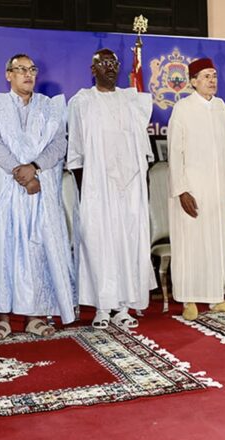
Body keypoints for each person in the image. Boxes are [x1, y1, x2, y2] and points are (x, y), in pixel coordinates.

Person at [0, 53, 76, 340]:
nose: (27, 74)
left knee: (36, 250)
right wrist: (21, 172)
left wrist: (35, 168)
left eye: (32, 69)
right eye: (20, 69)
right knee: (3, 249)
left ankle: (34, 317)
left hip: (40, 190)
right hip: (6, 189)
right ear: (8, 74)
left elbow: (59, 144)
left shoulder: (48, 106)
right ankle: (2, 318)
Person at [67, 49, 155, 329]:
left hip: (130, 187)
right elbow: (76, 150)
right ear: (92, 70)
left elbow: (143, 149)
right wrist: (86, 190)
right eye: (103, 64)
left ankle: (124, 306)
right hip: (97, 186)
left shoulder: (131, 100)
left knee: (128, 242)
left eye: (114, 63)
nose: (110, 68)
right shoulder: (83, 102)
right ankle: (102, 307)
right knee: (99, 243)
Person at [167, 57, 225, 321]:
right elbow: (175, 152)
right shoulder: (183, 108)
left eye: (214, 76)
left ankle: (217, 298)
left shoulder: (222, 108)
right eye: (206, 76)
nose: (212, 81)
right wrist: (181, 190)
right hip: (192, 190)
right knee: (191, 244)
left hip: (219, 190)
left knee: (218, 242)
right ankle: (189, 299)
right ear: (193, 81)